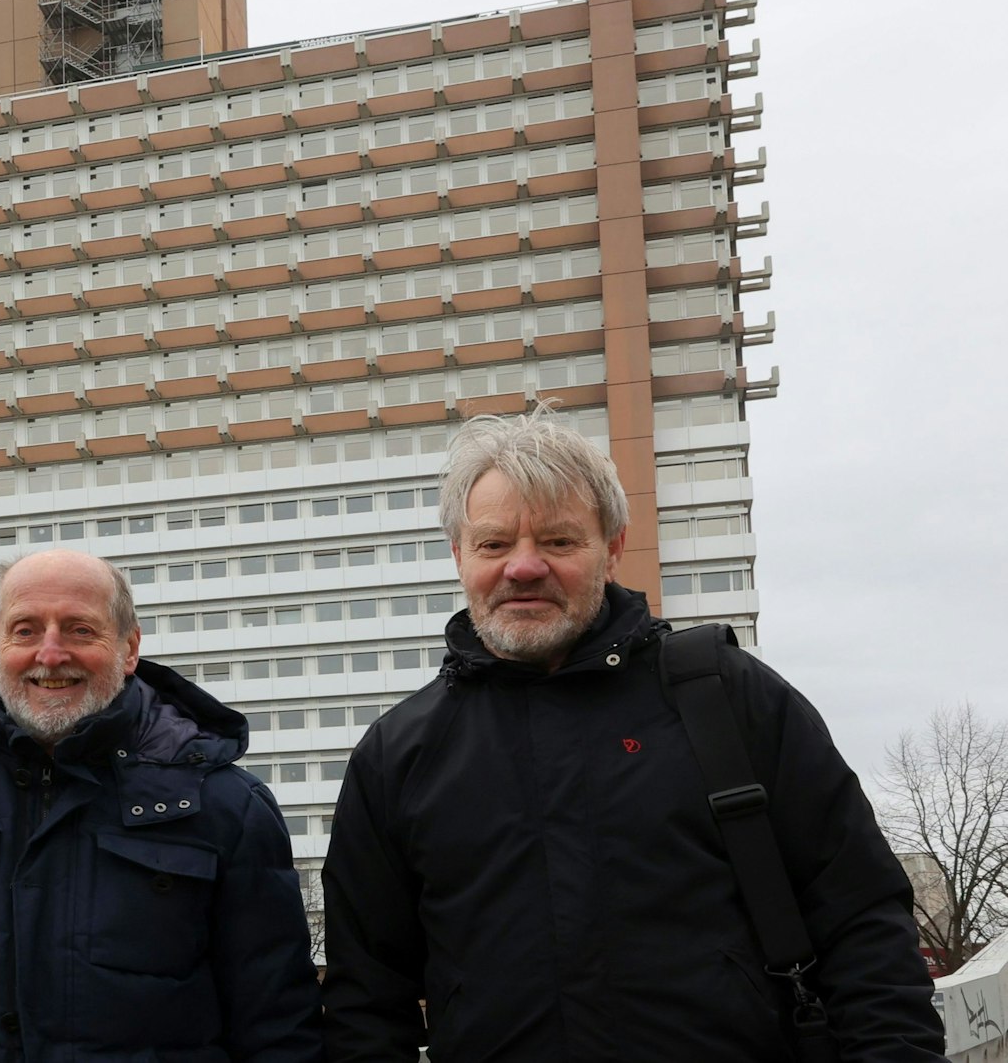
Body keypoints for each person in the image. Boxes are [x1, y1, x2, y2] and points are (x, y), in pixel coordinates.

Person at [320, 408, 945, 1061]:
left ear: (612, 548)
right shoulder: (399, 755)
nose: (523, 567)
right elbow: (365, 1001)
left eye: (558, 542)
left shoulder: (726, 699)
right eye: (494, 544)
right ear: (459, 555)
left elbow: (861, 924)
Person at [0, 548, 323, 1063]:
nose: (51, 654)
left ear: (130, 648)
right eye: (25, 630)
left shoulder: (225, 804)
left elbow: (277, 1024)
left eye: (80, 629)